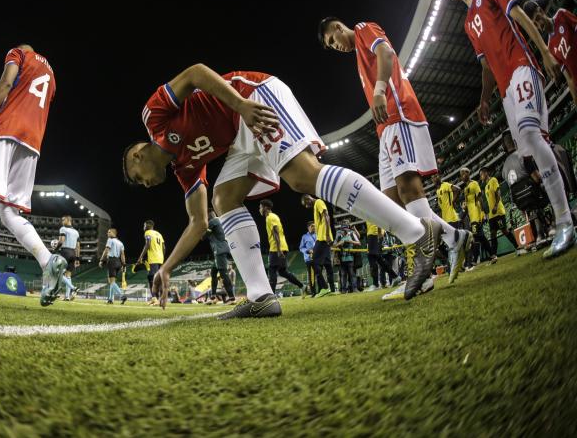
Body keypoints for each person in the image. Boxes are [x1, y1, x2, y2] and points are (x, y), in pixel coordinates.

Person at [123, 66, 442, 318]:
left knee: (303, 176)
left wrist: (241, 104)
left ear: (137, 156)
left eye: (139, 179)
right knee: (224, 198)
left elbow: (195, 73)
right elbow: (198, 222)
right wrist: (166, 268)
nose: (145, 184)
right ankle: (260, 295)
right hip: (239, 136)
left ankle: (417, 233)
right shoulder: (184, 168)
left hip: (251, 97)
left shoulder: (154, 117)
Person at [318, 17, 472, 300]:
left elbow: (385, 52)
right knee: (392, 203)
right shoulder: (357, 55)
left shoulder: (363, 29)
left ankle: (422, 273)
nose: (335, 46)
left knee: (408, 189)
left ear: (338, 28)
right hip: (385, 128)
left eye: (332, 40)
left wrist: (379, 90)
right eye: (330, 45)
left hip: (398, 114)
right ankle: (454, 237)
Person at [439, 0, 575, 258]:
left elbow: (520, 16)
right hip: (505, 91)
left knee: (531, 134)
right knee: (530, 153)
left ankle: (565, 221)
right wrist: (484, 99)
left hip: (522, 67)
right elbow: (486, 65)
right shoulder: (468, 25)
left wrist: (544, 50)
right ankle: (561, 217)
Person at [0, 44, 64, 306]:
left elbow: (6, 84)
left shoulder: (19, 54)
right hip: (33, 143)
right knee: (10, 213)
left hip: (5, 131)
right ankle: (48, 260)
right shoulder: (52, 75)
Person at [522, 0, 577, 106]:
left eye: (538, 18)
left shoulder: (561, 15)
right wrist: (575, 99)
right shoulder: (550, 48)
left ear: (541, 11)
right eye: (535, 24)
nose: (539, 24)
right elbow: (569, 77)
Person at [259, 199, 305, 296]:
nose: (260, 209)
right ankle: (302, 286)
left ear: (265, 208)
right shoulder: (274, 216)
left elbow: (275, 232)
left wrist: (279, 250)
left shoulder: (270, 217)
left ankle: (271, 295)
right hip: (282, 246)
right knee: (282, 272)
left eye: (260, 207)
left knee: (272, 269)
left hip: (276, 248)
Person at [479, 166, 520, 262]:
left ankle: (518, 247)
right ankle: (494, 255)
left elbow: (498, 193)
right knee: (492, 234)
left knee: (504, 231)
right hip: (491, 215)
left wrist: (496, 206)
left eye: (481, 174)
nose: (481, 177)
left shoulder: (493, 180)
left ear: (486, 173)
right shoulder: (485, 187)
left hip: (498, 212)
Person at [301, 194, 337, 298]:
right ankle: (331, 290)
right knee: (327, 264)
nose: (307, 206)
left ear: (308, 199)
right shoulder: (316, 205)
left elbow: (327, 216)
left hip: (322, 238)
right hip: (323, 238)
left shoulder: (318, 202)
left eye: (306, 204)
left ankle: (324, 288)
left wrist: (327, 234)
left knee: (313, 262)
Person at [460, 167, 492, 268]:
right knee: (479, 237)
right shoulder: (465, 189)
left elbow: (480, 198)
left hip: (477, 215)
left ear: (468, 173)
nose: (462, 176)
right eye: (461, 175)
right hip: (472, 217)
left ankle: (474, 260)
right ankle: (492, 255)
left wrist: (483, 213)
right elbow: (467, 206)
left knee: (476, 237)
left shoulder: (474, 184)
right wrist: (464, 211)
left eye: (464, 173)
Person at [206, 208, 236, 304]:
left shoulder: (213, 221)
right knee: (213, 272)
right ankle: (213, 297)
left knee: (223, 273)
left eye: (206, 215)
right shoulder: (220, 220)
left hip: (219, 250)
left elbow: (203, 236)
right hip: (222, 248)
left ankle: (232, 298)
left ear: (209, 214)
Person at [365, 221, 401, 291]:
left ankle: (375, 284)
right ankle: (394, 276)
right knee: (379, 259)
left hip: (374, 234)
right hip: (372, 235)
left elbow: (376, 220)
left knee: (372, 257)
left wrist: (379, 235)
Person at [137, 220, 165, 305]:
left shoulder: (147, 232)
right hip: (160, 259)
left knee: (152, 278)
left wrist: (140, 257)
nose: (144, 227)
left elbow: (147, 244)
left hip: (154, 258)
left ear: (149, 225)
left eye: (144, 225)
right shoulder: (159, 234)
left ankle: (156, 299)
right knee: (156, 278)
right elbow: (164, 247)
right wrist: (162, 257)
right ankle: (156, 298)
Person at [99, 228, 127, 305]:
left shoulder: (110, 240)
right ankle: (110, 299)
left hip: (111, 261)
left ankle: (122, 295)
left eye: (109, 232)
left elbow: (106, 250)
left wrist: (102, 260)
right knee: (112, 282)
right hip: (118, 262)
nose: (107, 233)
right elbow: (122, 255)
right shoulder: (121, 243)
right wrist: (124, 264)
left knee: (111, 282)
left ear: (113, 233)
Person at [56, 215, 81, 300]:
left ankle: (73, 288)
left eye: (63, 220)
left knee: (58, 273)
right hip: (73, 253)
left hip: (65, 252)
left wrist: (55, 250)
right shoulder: (76, 232)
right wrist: (77, 258)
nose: (62, 222)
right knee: (68, 275)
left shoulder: (63, 229)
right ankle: (67, 296)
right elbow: (78, 246)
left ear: (68, 220)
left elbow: (61, 241)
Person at [334, 219, 361, 293]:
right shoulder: (338, 233)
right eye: (343, 229)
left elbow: (359, 243)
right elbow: (334, 245)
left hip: (351, 257)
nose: (345, 230)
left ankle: (354, 288)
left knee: (352, 274)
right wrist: (340, 243)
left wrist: (350, 241)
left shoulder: (352, 233)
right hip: (341, 258)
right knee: (343, 274)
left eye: (346, 228)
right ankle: (343, 290)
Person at [298, 222, 317, 297]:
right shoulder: (304, 237)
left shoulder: (318, 235)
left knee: (319, 274)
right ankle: (313, 292)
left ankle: (321, 290)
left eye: (314, 226)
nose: (314, 227)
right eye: (312, 226)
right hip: (309, 259)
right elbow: (301, 248)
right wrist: (307, 251)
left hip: (318, 258)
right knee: (311, 276)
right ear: (308, 227)